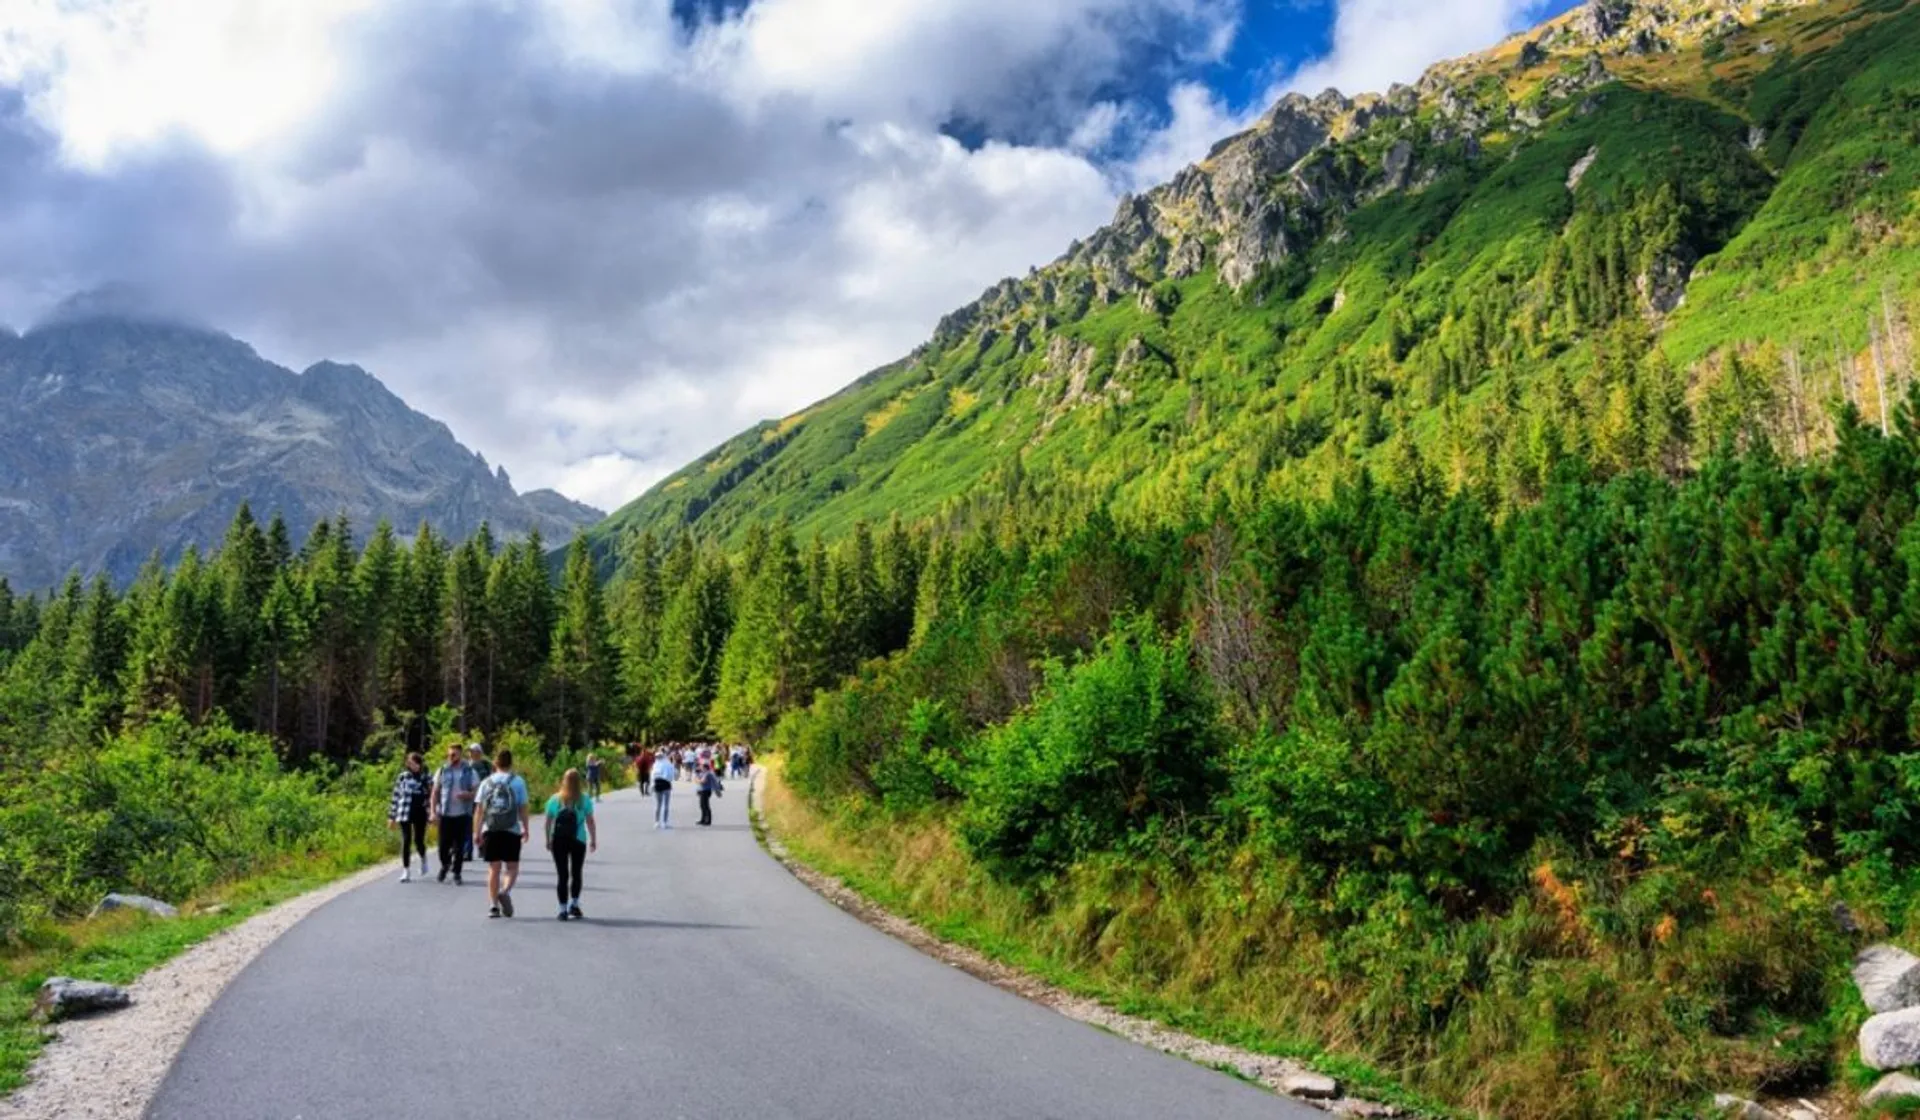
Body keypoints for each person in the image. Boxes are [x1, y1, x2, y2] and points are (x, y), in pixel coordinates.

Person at [472, 749, 530, 918]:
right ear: (511, 763)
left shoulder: (486, 782)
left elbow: (479, 810)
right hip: (511, 829)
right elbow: (523, 807)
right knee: (512, 867)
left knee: (493, 868)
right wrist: (526, 827)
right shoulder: (518, 782)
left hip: (491, 829)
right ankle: (505, 891)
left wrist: (476, 832)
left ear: (495, 763)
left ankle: (493, 906)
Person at [544, 768, 598, 920]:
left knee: (562, 875)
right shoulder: (584, 799)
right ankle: (574, 904)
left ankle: (562, 910)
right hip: (578, 839)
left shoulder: (555, 799)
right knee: (576, 873)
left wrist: (548, 839)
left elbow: (548, 822)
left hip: (559, 840)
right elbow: (590, 821)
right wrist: (593, 839)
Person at [430, 743, 478, 884]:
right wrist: (433, 812)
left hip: (463, 814)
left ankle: (457, 873)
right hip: (445, 814)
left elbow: (477, 792)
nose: (451, 757)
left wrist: (468, 794)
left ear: (460, 755)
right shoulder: (442, 770)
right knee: (442, 846)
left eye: (454, 754)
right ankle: (445, 865)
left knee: (459, 847)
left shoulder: (470, 771)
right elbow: (435, 792)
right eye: (449, 754)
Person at [387, 752, 432, 882]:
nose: (411, 765)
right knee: (406, 841)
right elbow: (395, 796)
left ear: (419, 764)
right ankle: (406, 871)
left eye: (414, 762)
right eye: (409, 762)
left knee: (418, 841)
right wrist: (392, 816)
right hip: (404, 812)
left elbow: (431, 796)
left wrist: (432, 813)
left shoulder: (426, 777)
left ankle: (423, 858)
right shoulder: (403, 777)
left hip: (420, 812)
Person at [463, 743, 492, 861]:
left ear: (479, 752)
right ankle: (467, 852)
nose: (470, 753)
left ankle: (483, 848)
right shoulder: (466, 766)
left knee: (484, 824)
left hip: (485, 798)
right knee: (469, 824)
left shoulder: (486, 765)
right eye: (470, 751)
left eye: (473, 751)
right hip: (470, 798)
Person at [650, 749, 679, 829]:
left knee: (658, 804)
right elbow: (673, 774)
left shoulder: (655, 765)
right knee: (666, 804)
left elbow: (652, 776)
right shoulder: (668, 764)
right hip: (666, 784)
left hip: (657, 783)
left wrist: (652, 785)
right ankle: (665, 823)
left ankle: (657, 822)